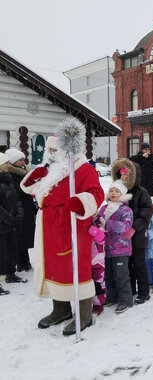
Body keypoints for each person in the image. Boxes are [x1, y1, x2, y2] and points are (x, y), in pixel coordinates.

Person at [21, 134, 104, 335]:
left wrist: (80, 202)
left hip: (72, 224)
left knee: (75, 266)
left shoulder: (83, 168)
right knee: (54, 266)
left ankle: (84, 315)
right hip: (48, 226)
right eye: (49, 150)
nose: (50, 153)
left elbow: (96, 194)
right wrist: (35, 176)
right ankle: (61, 309)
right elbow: (33, 191)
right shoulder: (52, 170)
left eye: (54, 150)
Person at [111, 158, 152, 305]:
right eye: (121, 175)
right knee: (126, 265)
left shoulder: (141, 192)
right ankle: (130, 290)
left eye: (126, 175)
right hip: (121, 239)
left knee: (139, 264)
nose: (124, 178)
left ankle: (143, 292)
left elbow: (147, 211)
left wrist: (134, 226)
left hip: (137, 235)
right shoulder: (117, 191)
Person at [96, 181, 134, 314]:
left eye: (117, 191)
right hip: (106, 248)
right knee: (108, 275)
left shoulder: (126, 210)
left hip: (121, 248)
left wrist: (106, 223)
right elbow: (98, 223)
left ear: (122, 195)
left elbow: (125, 227)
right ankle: (112, 297)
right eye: (111, 190)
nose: (113, 193)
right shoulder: (103, 209)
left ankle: (126, 300)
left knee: (121, 275)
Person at [5, 148, 35, 272]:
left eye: (23, 159)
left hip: (27, 209)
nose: (23, 162)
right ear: (12, 162)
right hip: (17, 210)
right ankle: (19, 263)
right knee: (18, 238)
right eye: (20, 160)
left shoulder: (24, 173)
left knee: (25, 237)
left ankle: (25, 262)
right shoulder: (11, 175)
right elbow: (17, 192)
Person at [0, 153, 25, 296]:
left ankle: (11, 274)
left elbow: (17, 200)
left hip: (12, 223)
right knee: (1, 252)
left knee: (12, 249)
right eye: (5, 163)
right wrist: (9, 218)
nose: (8, 165)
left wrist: (19, 214)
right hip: (3, 223)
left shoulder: (8, 179)